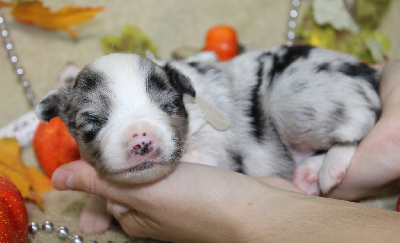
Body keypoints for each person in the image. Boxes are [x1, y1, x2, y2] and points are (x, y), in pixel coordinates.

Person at [51, 60, 400, 242]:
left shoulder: (200, 105)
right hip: (286, 151)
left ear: (183, 93)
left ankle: (351, 133)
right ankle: (370, 152)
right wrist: (99, 196)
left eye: (164, 107)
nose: (141, 140)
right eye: (97, 121)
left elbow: (209, 160)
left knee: (291, 107)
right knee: (330, 179)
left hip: (293, 86)